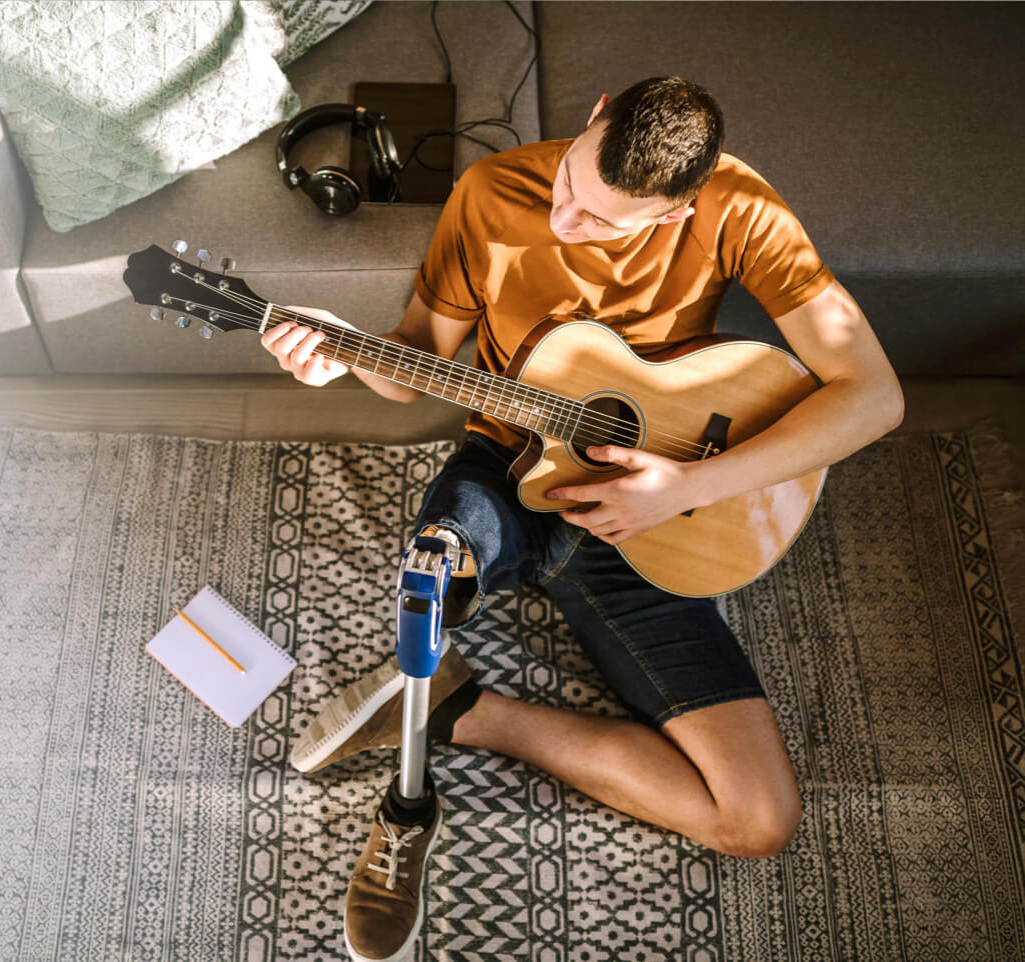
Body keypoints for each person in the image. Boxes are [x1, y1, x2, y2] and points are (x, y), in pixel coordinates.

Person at [262, 77, 904, 962]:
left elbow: (873, 398)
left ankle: (469, 712)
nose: (567, 222)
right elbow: (415, 362)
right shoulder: (491, 193)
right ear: (595, 114)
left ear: (682, 211)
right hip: (509, 465)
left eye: (604, 221)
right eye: (571, 184)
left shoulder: (741, 210)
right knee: (427, 586)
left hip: (659, 519)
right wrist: (341, 348)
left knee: (757, 820)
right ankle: (410, 795)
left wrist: (682, 489)